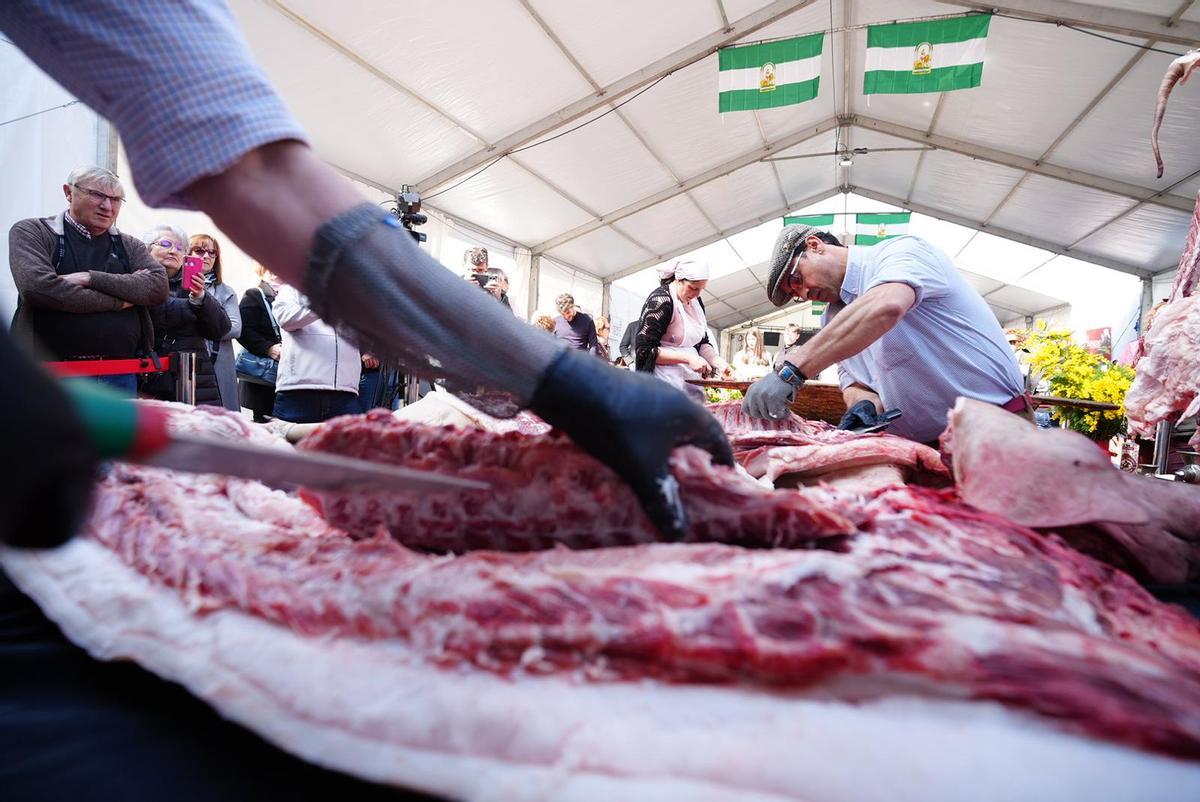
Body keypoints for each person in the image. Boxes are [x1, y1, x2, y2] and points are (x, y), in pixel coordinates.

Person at [742, 224, 1025, 444]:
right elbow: (855, 383)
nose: (804, 293)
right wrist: (863, 406)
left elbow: (886, 305)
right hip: (921, 449)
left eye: (797, 280)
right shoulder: (834, 317)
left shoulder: (900, 252)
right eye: (796, 295)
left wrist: (791, 372)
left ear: (814, 246)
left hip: (996, 430)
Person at [8, 166, 168, 395]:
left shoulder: (129, 245)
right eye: (97, 195)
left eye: (115, 199)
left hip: (121, 374)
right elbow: (38, 288)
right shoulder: (33, 231)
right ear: (68, 192)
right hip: (50, 374)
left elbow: (157, 289)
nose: (107, 206)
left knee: (116, 433)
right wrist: (119, 300)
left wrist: (89, 278)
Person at [141, 224, 231, 405]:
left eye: (180, 248)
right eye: (165, 244)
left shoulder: (193, 285)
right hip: (149, 376)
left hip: (196, 380)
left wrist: (201, 297)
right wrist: (190, 306)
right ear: (147, 248)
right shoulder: (137, 278)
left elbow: (220, 329)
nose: (174, 251)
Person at [634, 259, 733, 399]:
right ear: (679, 280)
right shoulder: (662, 300)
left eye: (701, 289)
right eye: (693, 288)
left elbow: (701, 342)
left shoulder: (696, 302)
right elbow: (644, 350)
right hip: (662, 385)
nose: (698, 294)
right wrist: (688, 358)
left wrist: (719, 363)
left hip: (690, 383)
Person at [271, 283, 361, 423]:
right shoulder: (292, 289)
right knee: (291, 445)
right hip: (298, 394)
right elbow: (285, 318)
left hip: (346, 395)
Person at [189, 233, 242, 412]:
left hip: (218, 362)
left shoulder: (226, 291)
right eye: (200, 250)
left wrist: (200, 327)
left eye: (212, 253)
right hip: (185, 363)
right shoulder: (173, 284)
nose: (206, 256)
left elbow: (235, 328)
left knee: (222, 421)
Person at [236, 263, 283, 421]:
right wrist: (268, 348)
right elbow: (242, 330)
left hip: (290, 376)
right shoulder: (255, 294)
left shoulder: (299, 296)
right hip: (265, 376)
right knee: (265, 427)